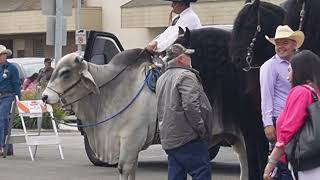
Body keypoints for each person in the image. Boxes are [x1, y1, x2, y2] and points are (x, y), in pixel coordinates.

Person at [156, 43, 212, 180]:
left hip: (170, 137)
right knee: (201, 172)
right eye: (188, 55)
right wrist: (201, 128)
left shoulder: (162, 78)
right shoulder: (186, 76)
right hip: (188, 136)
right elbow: (190, 105)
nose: (191, 58)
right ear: (181, 59)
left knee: (176, 174)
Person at [263, 50, 320, 180]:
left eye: (289, 70)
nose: (288, 77)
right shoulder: (316, 90)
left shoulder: (300, 92)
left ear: (300, 70)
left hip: (303, 160)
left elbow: (288, 131)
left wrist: (271, 162)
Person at [260, 25, 305, 179]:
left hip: (299, 119)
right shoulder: (269, 66)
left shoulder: (300, 63)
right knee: (282, 163)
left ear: (294, 44)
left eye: (284, 42)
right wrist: (268, 123)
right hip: (280, 120)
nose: (280, 47)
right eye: (278, 43)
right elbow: (266, 96)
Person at [0, 45, 21, 156]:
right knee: (5, 122)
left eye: (3, 54)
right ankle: (9, 148)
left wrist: (18, 99)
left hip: (8, 96)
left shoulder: (11, 68)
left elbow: (16, 84)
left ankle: (1, 147)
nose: (2, 56)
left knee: (1, 118)